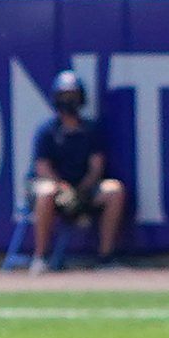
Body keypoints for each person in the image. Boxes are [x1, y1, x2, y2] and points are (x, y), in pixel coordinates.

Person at [27, 70, 125, 272]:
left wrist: (82, 190)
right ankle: (41, 258)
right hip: (56, 191)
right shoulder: (47, 131)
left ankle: (105, 257)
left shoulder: (91, 130)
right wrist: (63, 188)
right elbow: (42, 168)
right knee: (45, 191)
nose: (68, 101)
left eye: (73, 96)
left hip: (84, 190)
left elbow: (96, 166)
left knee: (114, 190)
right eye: (64, 96)